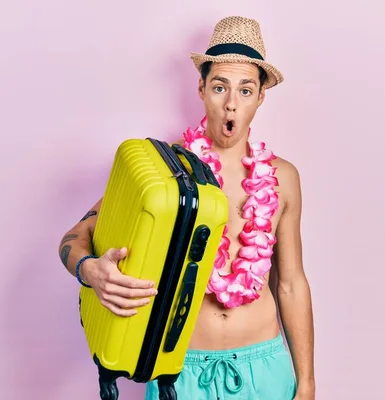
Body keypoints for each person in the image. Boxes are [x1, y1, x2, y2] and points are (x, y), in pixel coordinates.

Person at [58, 16, 315, 400]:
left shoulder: (283, 177)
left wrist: (307, 383)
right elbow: (77, 235)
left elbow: (291, 283)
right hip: (183, 371)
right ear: (201, 88)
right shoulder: (163, 170)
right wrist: (89, 269)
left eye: (245, 91)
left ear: (261, 96)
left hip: (267, 368)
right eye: (219, 87)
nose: (231, 104)